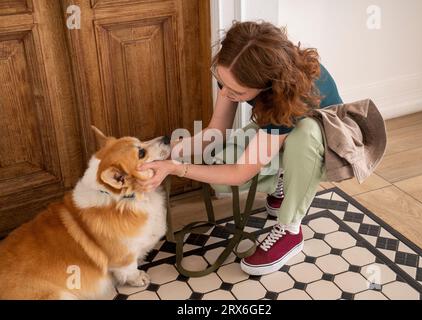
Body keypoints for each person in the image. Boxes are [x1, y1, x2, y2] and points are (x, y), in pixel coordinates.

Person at [137, 21, 343, 276]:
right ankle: (283, 179)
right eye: (223, 84)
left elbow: (239, 173)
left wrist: (176, 169)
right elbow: (215, 132)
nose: (227, 93)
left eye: (238, 91)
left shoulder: (287, 93)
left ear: (267, 84)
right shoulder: (235, 71)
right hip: (283, 131)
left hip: (328, 145)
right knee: (220, 182)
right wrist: (168, 151)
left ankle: (291, 230)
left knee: (304, 135)